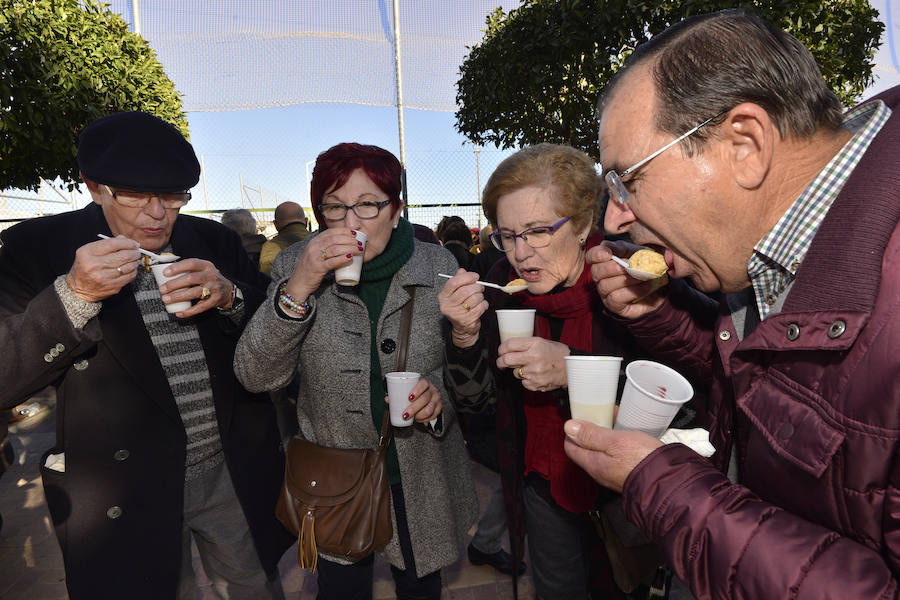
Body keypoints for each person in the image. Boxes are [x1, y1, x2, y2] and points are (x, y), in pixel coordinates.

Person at [565, 8, 900, 599]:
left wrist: (665, 488)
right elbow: (772, 384)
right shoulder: (764, 255)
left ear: (744, 144)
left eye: (627, 182)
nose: (614, 216)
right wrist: (657, 313)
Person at [0, 111, 292, 600]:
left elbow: (271, 332)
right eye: (136, 195)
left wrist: (231, 297)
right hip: (123, 486)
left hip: (227, 469)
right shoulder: (38, 249)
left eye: (174, 195)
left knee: (253, 586)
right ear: (95, 188)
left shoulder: (215, 241)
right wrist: (72, 295)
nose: (158, 213)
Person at [234, 142, 477, 600]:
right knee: (341, 589)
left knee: (420, 586)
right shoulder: (294, 264)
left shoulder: (439, 266)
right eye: (334, 206)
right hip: (334, 477)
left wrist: (437, 398)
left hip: (418, 470)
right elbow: (256, 375)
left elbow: (467, 381)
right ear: (318, 212)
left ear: (396, 209)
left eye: (367, 204)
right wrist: (302, 284)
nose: (350, 222)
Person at [440, 143, 641, 600]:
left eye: (537, 231)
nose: (520, 253)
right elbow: (476, 407)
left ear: (586, 223)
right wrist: (466, 338)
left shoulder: (629, 282)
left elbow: (686, 410)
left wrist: (573, 369)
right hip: (542, 484)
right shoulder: (502, 290)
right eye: (507, 235)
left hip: (630, 489)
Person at [259, 201, 310, 275]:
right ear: (306, 221)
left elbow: (267, 280)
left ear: (275, 224)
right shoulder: (319, 239)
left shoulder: (269, 247)